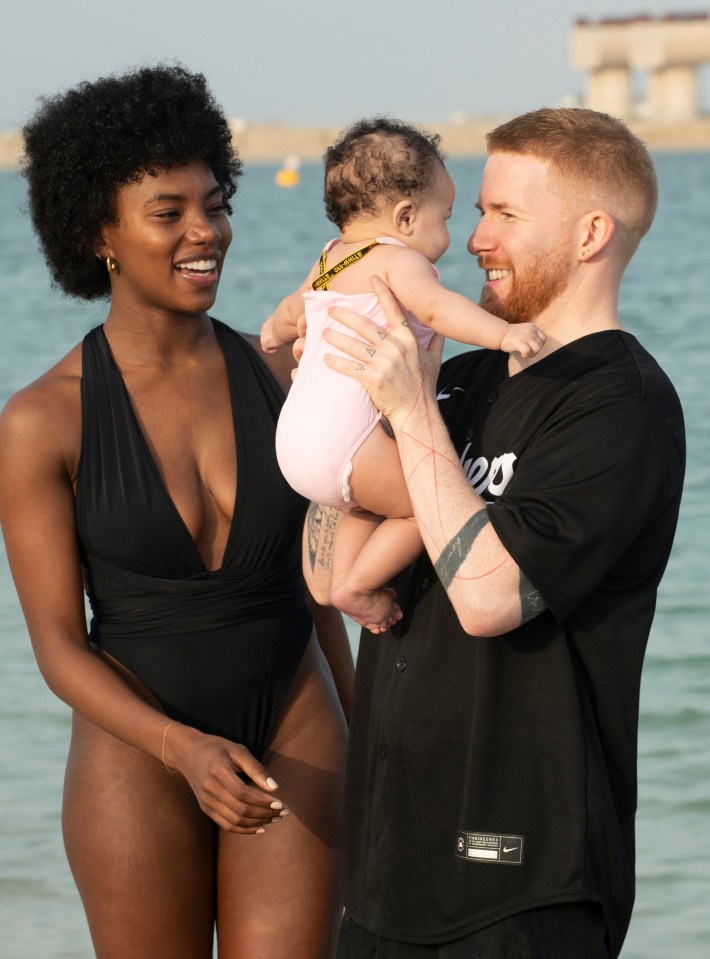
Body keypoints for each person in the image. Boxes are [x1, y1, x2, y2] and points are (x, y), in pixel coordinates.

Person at [303, 108, 686, 958]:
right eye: (474, 212)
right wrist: (338, 415)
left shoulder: (619, 404)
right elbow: (326, 577)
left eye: (503, 215)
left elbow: (488, 596)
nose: (472, 239)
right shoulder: (458, 376)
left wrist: (406, 409)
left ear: (591, 233)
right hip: (384, 872)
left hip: (518, 883)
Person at [0, 65, 352, 959]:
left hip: (296, 719)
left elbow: (320, 587)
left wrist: (375, 730)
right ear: (100, 234)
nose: (207, 232)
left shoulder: (280, 377)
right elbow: (58, 644)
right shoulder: (45, 421)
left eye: (215, 202)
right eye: (170, 212)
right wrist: (180, 748)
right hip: (140, 743)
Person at [261, 118, 545, 633]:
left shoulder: (328, 259)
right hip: (346, 442)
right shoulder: (396, 261)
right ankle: (358, 586)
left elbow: (289, 312)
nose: (452, 236)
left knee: (365, 505)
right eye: (447, 217)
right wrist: (503, 336)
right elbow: (438, 310)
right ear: (406, 217)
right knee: (423, 502)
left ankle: (346, 576)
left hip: (295, 442)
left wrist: (273, 334)